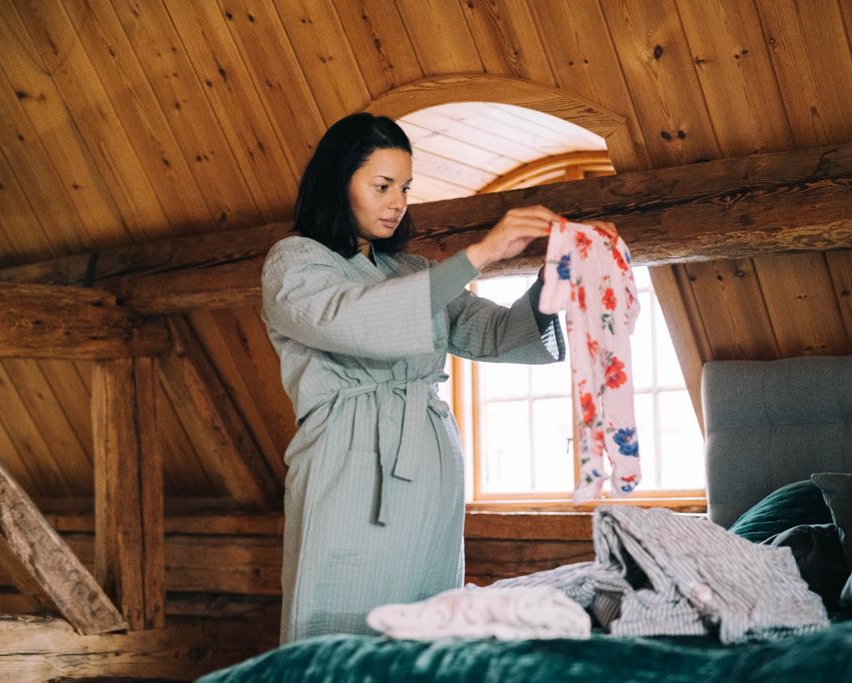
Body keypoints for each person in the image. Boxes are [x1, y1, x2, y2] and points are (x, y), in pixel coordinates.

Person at [261, 112, 612, 642]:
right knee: (337, 617)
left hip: (430, 463)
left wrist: (552, 280)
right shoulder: (294, 262)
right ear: (339, 183)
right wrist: (480, 255)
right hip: (350, 461)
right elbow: (355, 319)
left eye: (404, 187)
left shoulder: (412, 271)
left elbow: (494, 333)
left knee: (423, 622)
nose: (397, 201)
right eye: (381, 185)